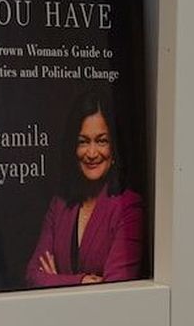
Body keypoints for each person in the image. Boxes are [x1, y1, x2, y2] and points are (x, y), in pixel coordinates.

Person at [25, 91, 144, 287]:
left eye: (101, 141)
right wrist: (82, 281)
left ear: (114, 148)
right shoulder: (59, 204)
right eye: (83, 141)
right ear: (73, 147)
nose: (91, 153)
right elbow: (32, 275)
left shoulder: (129, 207)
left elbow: (116, 290)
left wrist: (55, 280)